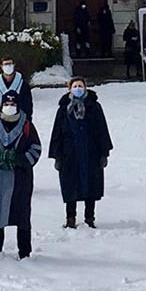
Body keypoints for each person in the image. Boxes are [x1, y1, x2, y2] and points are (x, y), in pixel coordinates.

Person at [0, 100, 43, 259]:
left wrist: (19, 159)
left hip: (20, 179)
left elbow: (35, 149)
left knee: (21, 215)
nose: (10, 106)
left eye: (13, 103)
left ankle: (25, 252)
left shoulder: (27, 126)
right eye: (6, 103)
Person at [48, 77, 113, 228]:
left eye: (80, 86)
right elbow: (57, 132)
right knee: (70, 186)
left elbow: (102, 130)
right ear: (70, 89)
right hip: (69, 153)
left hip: (91, 152)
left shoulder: (94, 106)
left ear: (85, 88)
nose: (78, 88)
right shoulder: (64, 108)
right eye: (75, 86)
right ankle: (70, 218)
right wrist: (57, 155)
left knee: (91, 185)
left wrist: (104, 153)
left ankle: (89, 217)